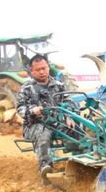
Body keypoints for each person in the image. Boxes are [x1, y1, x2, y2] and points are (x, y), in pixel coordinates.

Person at [16, 55, 73, 183]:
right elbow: (20, 108)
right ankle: (45, 167)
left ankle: (80, 163)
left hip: (57, 123)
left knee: (77, 129)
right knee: (43, 132)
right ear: (32, 71)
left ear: (48, 67)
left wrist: (69, 117)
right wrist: (32, 111)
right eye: (38, 70)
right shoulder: (26, 88)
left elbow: (69, 102)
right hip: (35, 124)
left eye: (44, 68)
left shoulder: (59, 85)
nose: (42, 72)